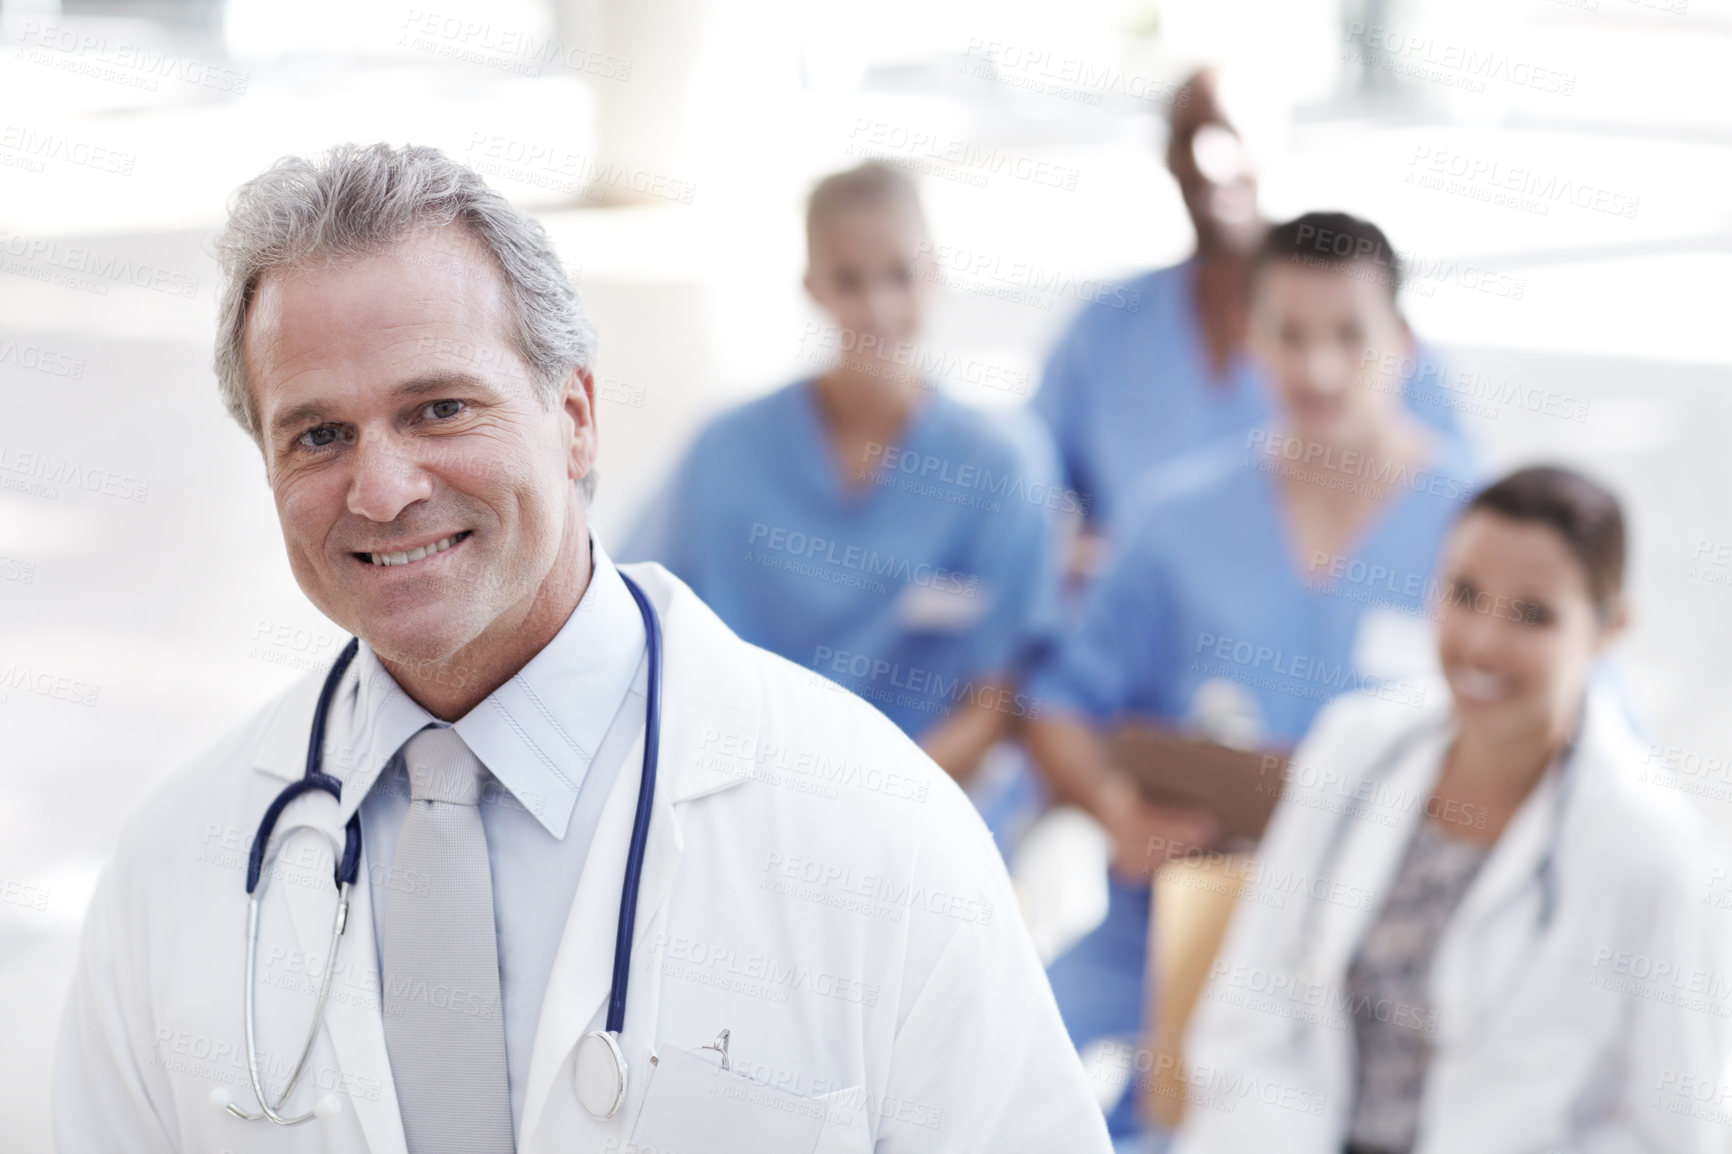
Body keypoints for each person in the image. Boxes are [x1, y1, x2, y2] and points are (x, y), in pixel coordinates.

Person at [50, 144, 1111, 1154]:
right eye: (318, 434)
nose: (381, 489)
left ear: (576, 417)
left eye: (440, 407)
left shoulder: (883, 832)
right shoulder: (170, 874)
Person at [1022, 211, 1482, 1144]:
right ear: (1249, 338)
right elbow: (1063, 704)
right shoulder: (1175, 521)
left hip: (1391, 950)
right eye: (1290, 334)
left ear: (1403, 342)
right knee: (1014, 1093)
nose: (1317, 370)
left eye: (1349, 336)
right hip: (1177, 923)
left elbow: (1569, 741)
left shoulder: (1478, 535)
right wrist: (1118, 811)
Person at [1175, 466, 1732, 1153]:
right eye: (1464, 594)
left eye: (1532, 614)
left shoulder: (1657, 857)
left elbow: (1675, 1135)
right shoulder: (1356, 746)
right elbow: (1247, 1018)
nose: (1481, 643)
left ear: (1610, 626)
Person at [622, 160, 1065, 834]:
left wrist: (871, 807)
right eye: (850, 281)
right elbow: (641, 633)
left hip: (925, 812)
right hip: (738, 803)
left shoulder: (1002, 469)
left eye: (900, 275)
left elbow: (996, 703)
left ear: (935, 273)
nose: (880, 308)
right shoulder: (726, 453)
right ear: (813, 287)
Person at [1033, 67, 1470, 566]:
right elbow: (1028, 481)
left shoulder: (1373, 331)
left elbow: (1461, 508)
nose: (1209, 161)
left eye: (1231, 136)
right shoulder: (1107, 326)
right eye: (1188, 136)